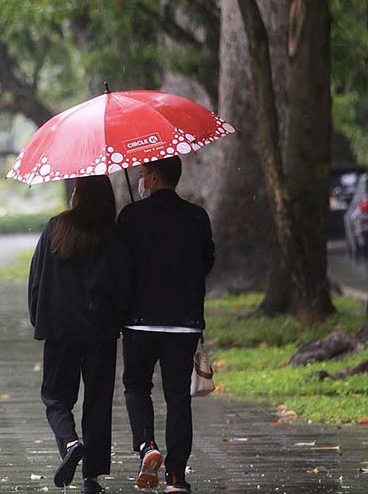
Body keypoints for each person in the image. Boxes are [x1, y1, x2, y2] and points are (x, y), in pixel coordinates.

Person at [116, 157, 215, 494]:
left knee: (135, 386)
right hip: (184, 324)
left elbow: (121, 268)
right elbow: (206, 262)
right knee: (177, 398)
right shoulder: (197, 216)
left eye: (142, 174)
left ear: (154, 177)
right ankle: (176, 477)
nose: (140, 180)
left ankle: (147, 445)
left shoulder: (131, 217)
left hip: (140, 323)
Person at [28, 175, 129, 494]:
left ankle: (70, 442)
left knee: (56, 397)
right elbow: (123, 284)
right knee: (98, 401)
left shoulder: (55, 227)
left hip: (60, 330)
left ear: (79, 194)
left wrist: (38, 318)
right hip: (100, 330)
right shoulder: (112, 236)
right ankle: (92, 476)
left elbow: (37, 278)